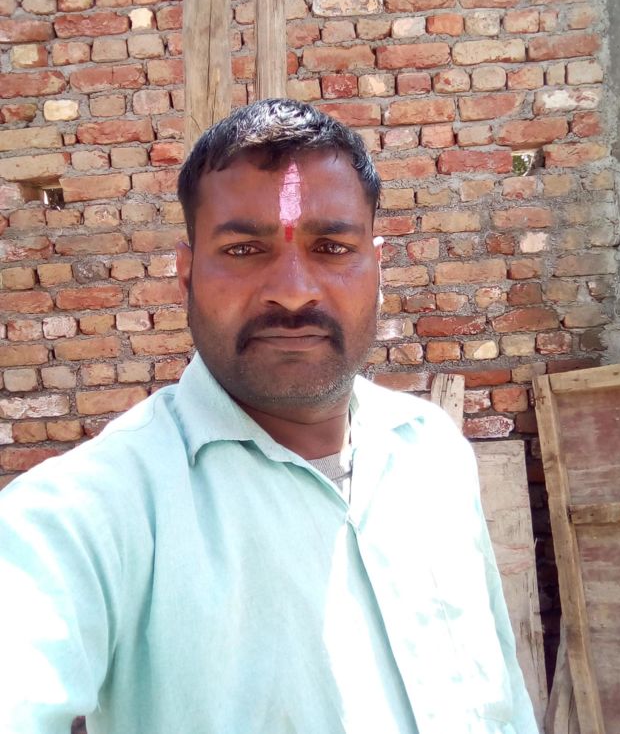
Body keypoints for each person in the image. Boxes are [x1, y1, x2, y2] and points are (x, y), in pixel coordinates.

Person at [0, 99, 538, 734]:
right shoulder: (82, 515)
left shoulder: (433, 452)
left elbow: (504, 700)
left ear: (378, 268)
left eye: (332, 247)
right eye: (244, 248)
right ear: (186, 274)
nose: (292, 290)